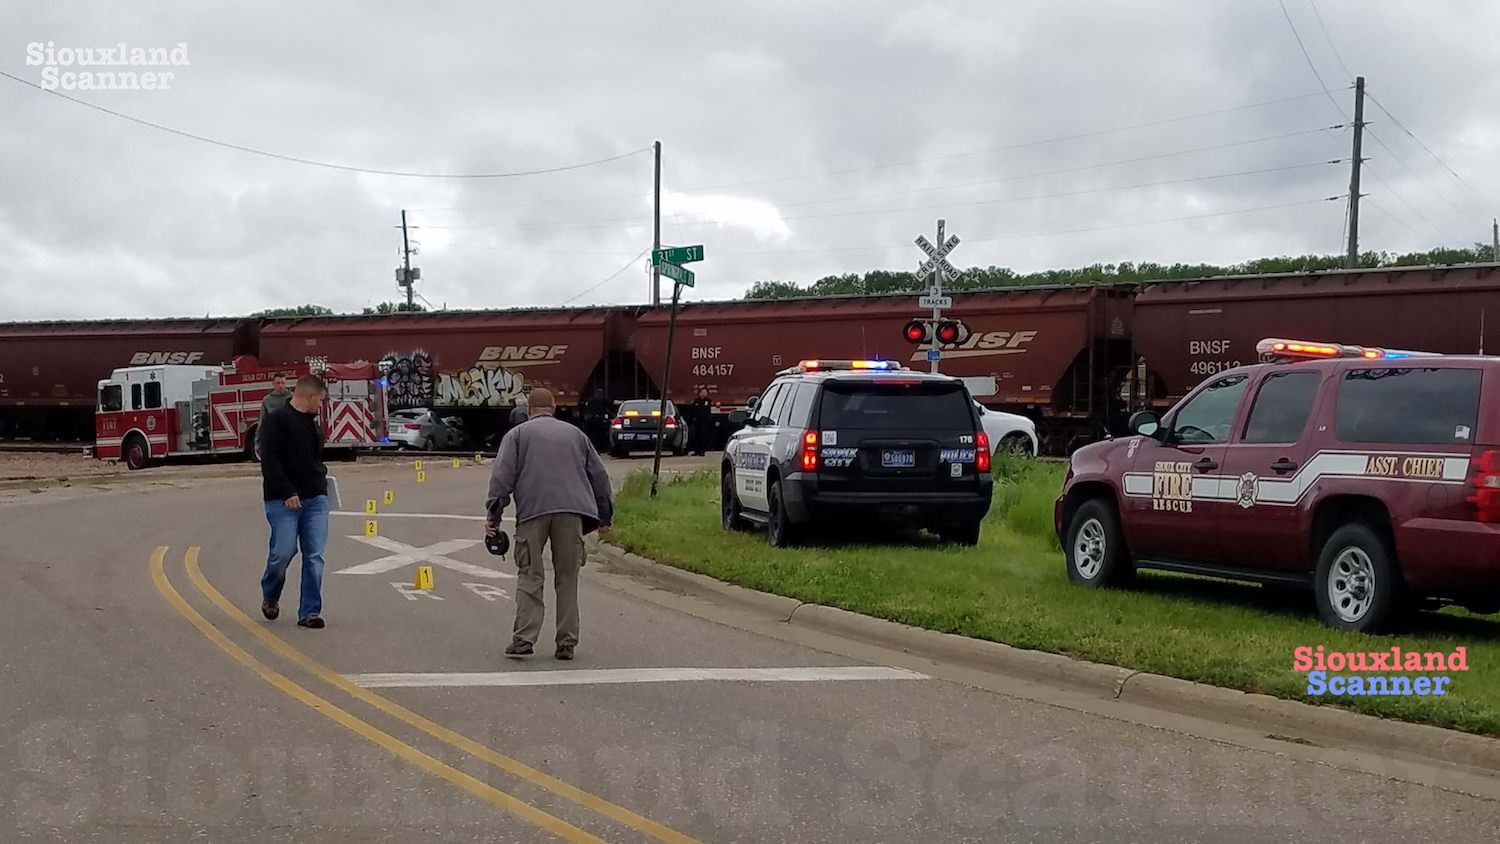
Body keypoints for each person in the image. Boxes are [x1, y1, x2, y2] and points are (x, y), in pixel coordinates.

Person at [484, 387, 613, 660]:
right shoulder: (577, 435)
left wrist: (493, 517)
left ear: (528, 410)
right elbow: (599, 476)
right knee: (567, 578)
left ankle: (523, 639)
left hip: (533, 513)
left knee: (530, 574)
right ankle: (566, 642)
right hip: (572, 513)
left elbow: (501, 480)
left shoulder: (517, 435)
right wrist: (604, 517)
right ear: (553, 408)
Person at [258, 375, 331, 629]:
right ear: (309, 396)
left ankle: (309, 612)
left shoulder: (313, 425)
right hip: (282, 500)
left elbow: (314, 459)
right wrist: (287, 492)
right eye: (320, 400)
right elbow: (270, 460)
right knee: (283, 552)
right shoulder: (277, 420)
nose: (320, 406)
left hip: (315, 499)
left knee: (315, 556)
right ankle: (270, 594)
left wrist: (321, 484)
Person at [256, 376, 290, 444]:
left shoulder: (292, 397)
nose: (281, 385)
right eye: (278, 383)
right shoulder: (267, 400)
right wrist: (258, 439)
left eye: (283, 383)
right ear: (273, 384)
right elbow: (263, 420)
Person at [688, 388, 714, 456]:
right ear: (699, 393)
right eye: (703, 392)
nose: (704, 394)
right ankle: (697, 451)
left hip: (705, 422)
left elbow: (712, 410)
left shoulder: (708, 401)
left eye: (705, 392)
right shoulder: (696, 401)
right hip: (697, 422)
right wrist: (692, 419)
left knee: (703, 436)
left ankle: (703, 451)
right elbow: (691, 411)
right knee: (696, 436)